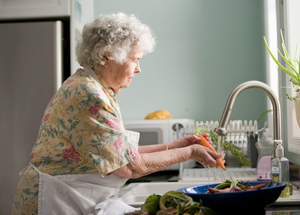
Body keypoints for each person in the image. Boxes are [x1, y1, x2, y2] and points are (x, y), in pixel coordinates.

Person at [12, 13, 225, 215]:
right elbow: (129, 167)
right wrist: (190, 153)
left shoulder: (94, 88)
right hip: (53, 201)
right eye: (135, 60)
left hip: (67, 196)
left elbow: (121, 153)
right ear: (107, 57)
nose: (139, 69)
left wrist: (176, 146)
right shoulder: (89, 95)